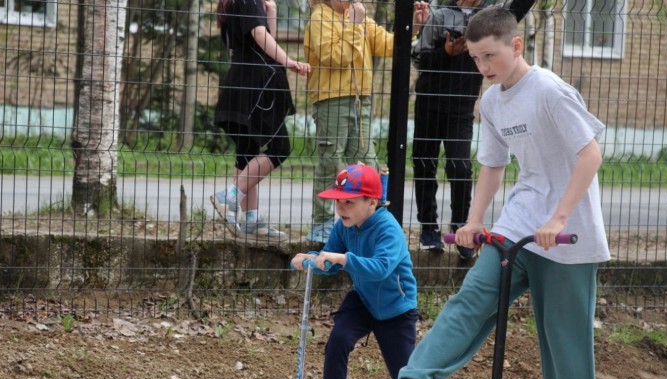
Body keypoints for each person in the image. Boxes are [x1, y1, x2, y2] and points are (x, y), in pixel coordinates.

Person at [369, 6, 611, 379]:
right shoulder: (495, 101)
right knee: (472, 298)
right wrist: (474, 220)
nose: (482, 68)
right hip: (520, 221)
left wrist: (559, 217)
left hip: (567, 232)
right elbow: (493, 164)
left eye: (489, 57)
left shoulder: (549, 91)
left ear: (515, 46)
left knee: (562, 337)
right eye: (476, 59)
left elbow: (591, 155)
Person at [291, 163, 448, 379]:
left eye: (349, 202)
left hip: (396, 308)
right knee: (338, 338)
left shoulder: (388, 229)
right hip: (363, 299)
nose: (342, 209)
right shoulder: (344, 227)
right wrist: (312, 259)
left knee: (406, 375)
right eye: (339, 202)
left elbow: (380, 268)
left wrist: (343, 259)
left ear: (371, 202)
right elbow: (332, 259)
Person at [411, 0, 534, 256]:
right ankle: (429, 229)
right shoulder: (441, 15)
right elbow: (419, 58)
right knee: (425, 163)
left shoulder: (491, 16)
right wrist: (446, 52)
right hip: (429, 101)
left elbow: (518, 8)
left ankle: (461, 229)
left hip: (462, 105)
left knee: (460, 165)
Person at [302, 0, 429, 245]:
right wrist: (354, 26)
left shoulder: (356, 16)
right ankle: (322, 222)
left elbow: (388, 44)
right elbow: (334, 57)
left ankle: (370, 220)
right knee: (332, 160)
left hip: (361, 99)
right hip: (331, 97)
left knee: (365, 161)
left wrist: (413, 25)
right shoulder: (320, 17)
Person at [211, 0, 310, 240]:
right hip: (255, 87)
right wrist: (288, 60)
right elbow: (259, 35)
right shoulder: (247, 1)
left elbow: (264, 37)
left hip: (243, 82)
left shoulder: (239, 3)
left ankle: (252, 220)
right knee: (280, 148)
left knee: (248, 152)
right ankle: (230, 197)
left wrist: (272, 11)